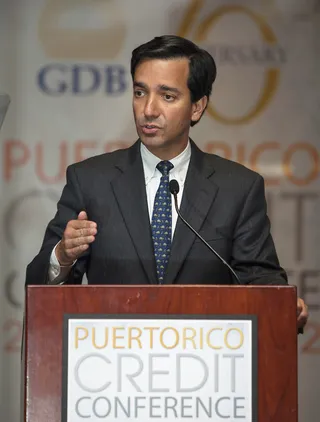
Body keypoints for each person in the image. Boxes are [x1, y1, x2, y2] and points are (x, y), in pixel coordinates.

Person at [25, 35, 308, 331]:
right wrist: (63, 255)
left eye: (167, 96)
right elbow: (38, 285)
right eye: (139, 92)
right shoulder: (91, 180)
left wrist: (283, 304)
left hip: (206, 361)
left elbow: (260, 280)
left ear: (197, 107)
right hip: (113, 360)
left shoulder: (238, 188)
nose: (148, 109)